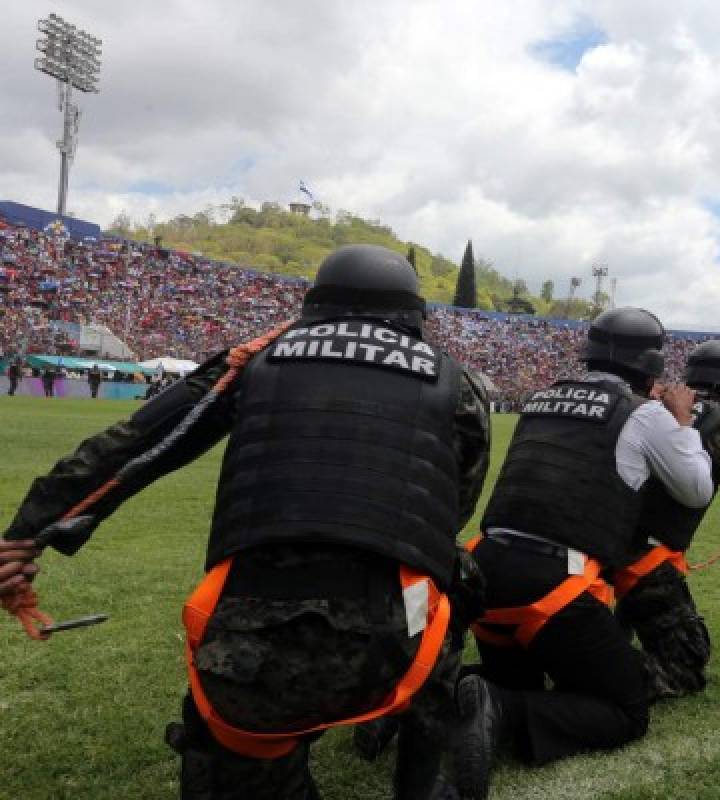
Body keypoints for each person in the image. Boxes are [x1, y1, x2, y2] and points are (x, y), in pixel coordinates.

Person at [3, 244, 490, 800]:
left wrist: (26, 535)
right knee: (457, 573)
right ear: (413, 313)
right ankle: (427, 749)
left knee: (240, 759)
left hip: (250, 659)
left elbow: (133, 448)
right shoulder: (459, 384)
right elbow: (452, 511)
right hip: (397, 649)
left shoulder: (255, 359)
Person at [452, 307, 713, 799]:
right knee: (625, 709)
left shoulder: (540, 399)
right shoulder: (646, 414)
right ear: (651, 365)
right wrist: (681, 422)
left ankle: (432, 695)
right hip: (554, 588)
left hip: (485, 575)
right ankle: (499, 708)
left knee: (526, 683)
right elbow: (696, 488)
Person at [613, 340, 720, 701]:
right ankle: (592, 673)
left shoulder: (649, 405)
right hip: (642, 563)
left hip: (594, 547)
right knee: (683, 664)